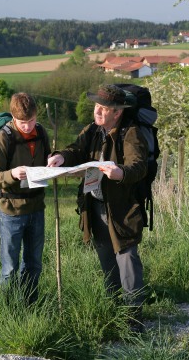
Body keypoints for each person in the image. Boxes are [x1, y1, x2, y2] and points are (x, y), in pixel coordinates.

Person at [47, 84, 148, 330]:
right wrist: (62, 156)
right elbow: (76, 149)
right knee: (105, 257)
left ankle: (133, 318)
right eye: (97, 107)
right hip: (94, 206)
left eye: (104, 108)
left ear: (118, 112)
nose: (98, 112)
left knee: (127, 259)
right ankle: (113, 310)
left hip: (122, 209)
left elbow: (139, 166)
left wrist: (120, 172)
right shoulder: (92, 130)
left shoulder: (131, 133)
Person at [0, 92, 50, 305]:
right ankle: (8, 310)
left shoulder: (41, 132)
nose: (28, 126)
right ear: (13, 118)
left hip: (37, 208)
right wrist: (12, 174)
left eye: (32, 120)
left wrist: (55, 160)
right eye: (23, 122)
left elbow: (48, 158)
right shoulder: (3, 138)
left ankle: (30, 305)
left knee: (34, 264)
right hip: (11, 212)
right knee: (10, 268)